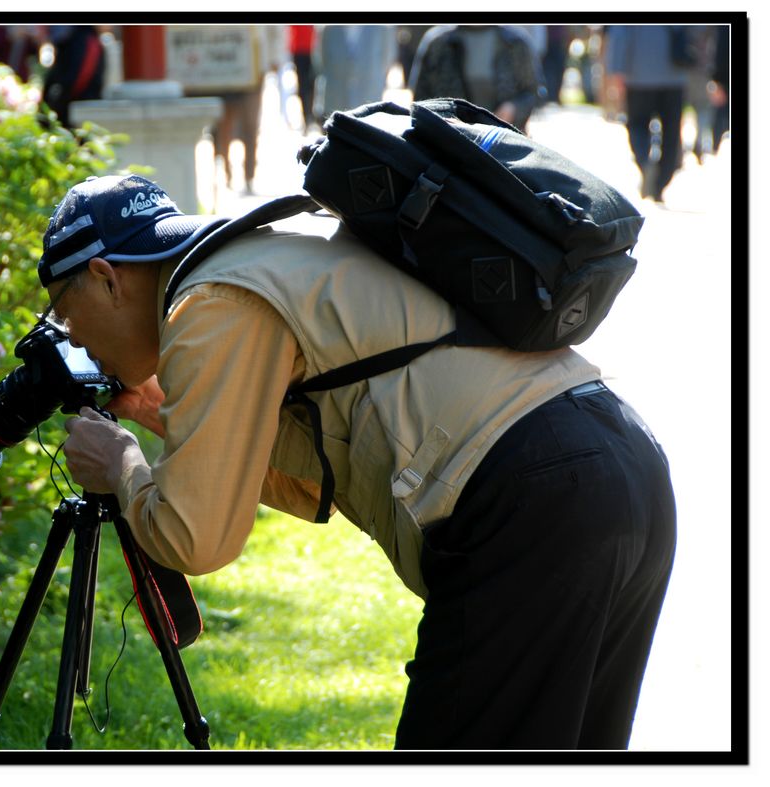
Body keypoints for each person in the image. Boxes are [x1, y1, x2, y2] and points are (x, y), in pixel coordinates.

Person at [41, 173, 677, 749]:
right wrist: (167, 417)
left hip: (533, 499)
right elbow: (315, 476)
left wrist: (123, 464)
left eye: (67, 316)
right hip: (619, 461)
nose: (74, 339)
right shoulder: (266, 253)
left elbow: (194, 537)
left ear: (106, 277)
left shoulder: (209, 302)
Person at [604, 25, 692, 203]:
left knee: (637, 124)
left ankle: (645, 160)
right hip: (674, 75)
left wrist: (617, 71)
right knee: (671, 132)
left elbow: (619, 34)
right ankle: (660, 183)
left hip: (638, 75)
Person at [409, 24, 544, 131]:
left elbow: (534, 92)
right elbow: (420, 100)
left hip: (505, 142)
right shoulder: (437, 43)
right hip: (449, 143)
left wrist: (514, 108)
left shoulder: (515, 42)